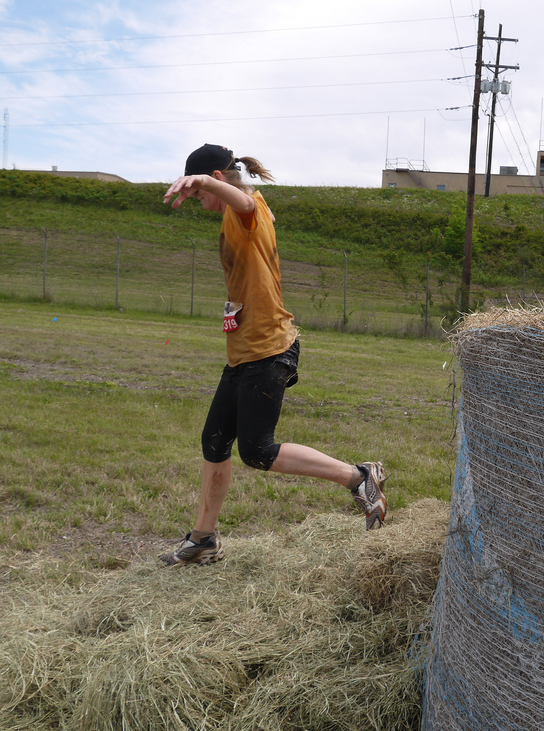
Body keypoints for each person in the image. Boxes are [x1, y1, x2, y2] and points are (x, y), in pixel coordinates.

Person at [158, 144, 386, 566]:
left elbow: (244, 200)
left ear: (217, 179)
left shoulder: (247, 209)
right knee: (214, 440)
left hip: (269, 349)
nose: (200, 201)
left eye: (201, 193)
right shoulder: (236, 214)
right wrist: (208, 185)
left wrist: (204, 182)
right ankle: (203, 540)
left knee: (257, 450)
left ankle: (359, 477)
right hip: (244, 352)